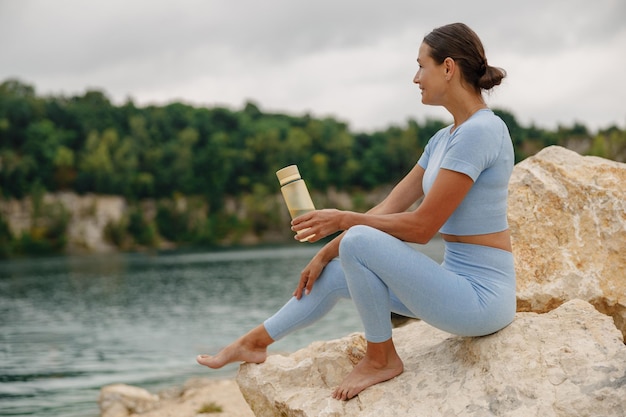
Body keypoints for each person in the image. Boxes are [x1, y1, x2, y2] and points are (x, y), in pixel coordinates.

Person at [197, 22, 516, 401]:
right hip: (453, 286)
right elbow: (390, 207)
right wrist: (325, 252)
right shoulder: (443, 139)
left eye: (420, 66)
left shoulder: (482, 131)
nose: (415, 78)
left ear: (448, 68)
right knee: (335, 271)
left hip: (481, 300)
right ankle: (253, 342)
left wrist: (346, 220)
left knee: (360, 240)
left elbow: (421, 227)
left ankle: (381, 358)